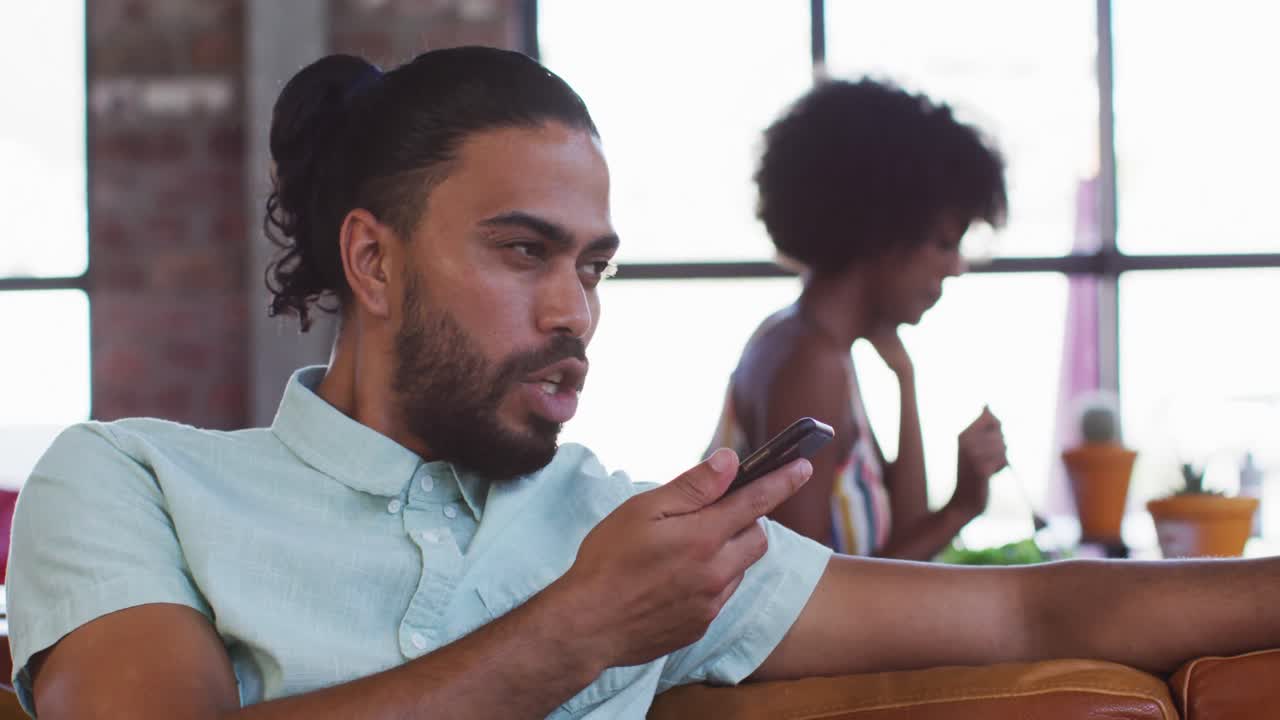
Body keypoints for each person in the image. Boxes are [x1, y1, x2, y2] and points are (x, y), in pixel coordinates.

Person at [9, 47, 1280, 720]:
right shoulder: (135, 481)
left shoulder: (630, 539)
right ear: (372, 259)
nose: (575, 311)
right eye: (523, 251)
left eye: (595, 266)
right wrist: (577, 633)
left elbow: (1029, 621)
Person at [708, 79, 1010, 559]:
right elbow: (810, 598)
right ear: (883, 233)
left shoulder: (815, 343)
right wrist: (960, 510)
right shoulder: (811, 362)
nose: (955, 267)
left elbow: (904, 530)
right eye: (944, 244)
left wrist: (904, 378)